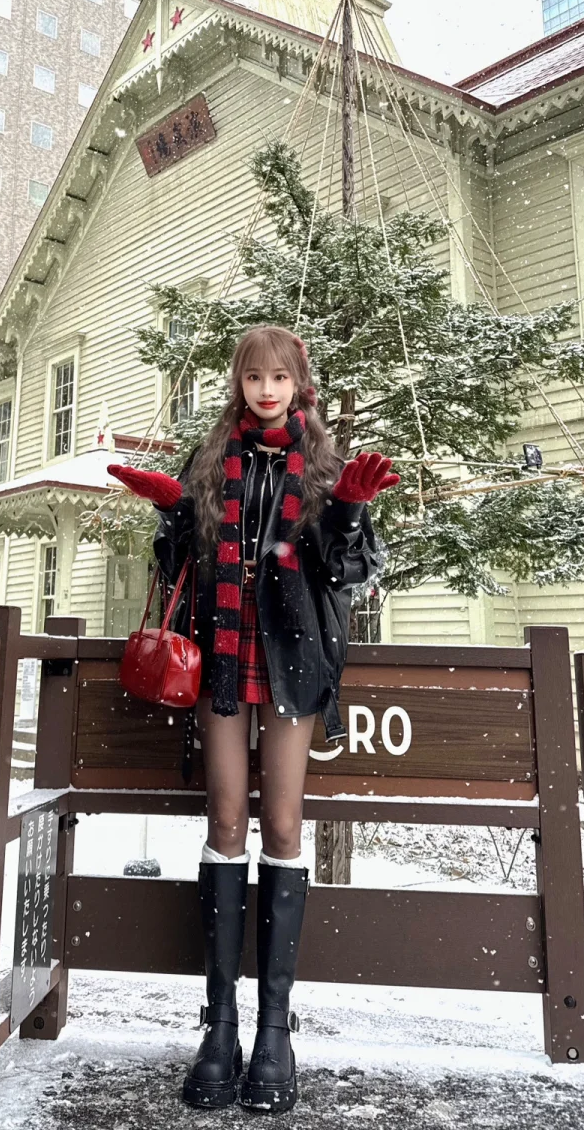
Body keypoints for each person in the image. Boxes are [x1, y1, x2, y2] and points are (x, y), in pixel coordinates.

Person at [109, 325, 397, 1114]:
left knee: (282, 826)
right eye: (252, 377)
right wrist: (173, 515)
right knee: (226, 818)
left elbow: (348, 574)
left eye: (278, 377)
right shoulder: (209, 461)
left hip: (296, 661)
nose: (265, 390)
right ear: (238, 383)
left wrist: (344, 510)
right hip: (224, 656)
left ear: (298, 383)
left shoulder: (328, 461)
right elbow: (177, 569)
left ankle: (275, 1032)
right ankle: (220, 1028)